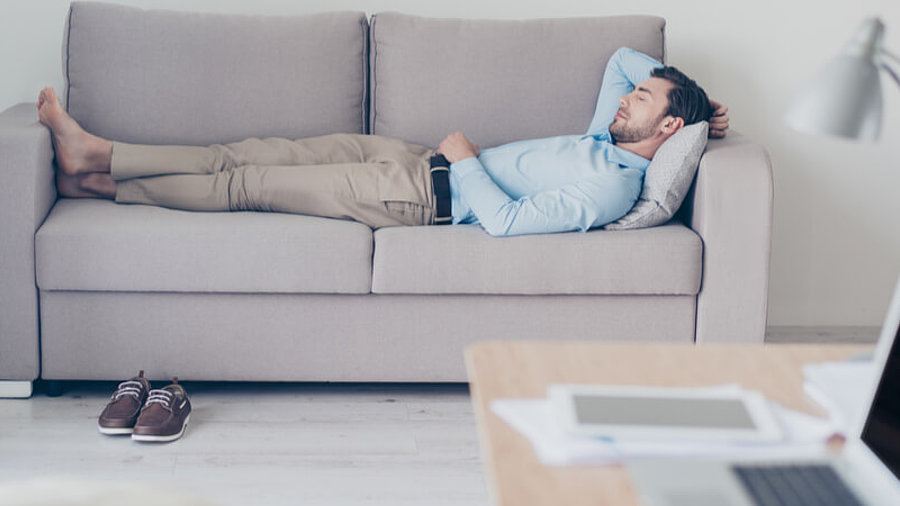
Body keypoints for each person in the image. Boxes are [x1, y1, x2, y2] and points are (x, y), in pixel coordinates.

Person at [39, 47, 728, 237]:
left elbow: (510, 223)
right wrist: (694, 105)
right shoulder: (602, 138)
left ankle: (104, 183)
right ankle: (99, 153)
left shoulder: (612, 185)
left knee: (243, 187)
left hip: (418, 196)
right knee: (242, 151)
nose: (625, 97)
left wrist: (464, 162)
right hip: (402, 156)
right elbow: (622, 57)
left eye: (642, 101)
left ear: (663, 128)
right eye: (635, 96)